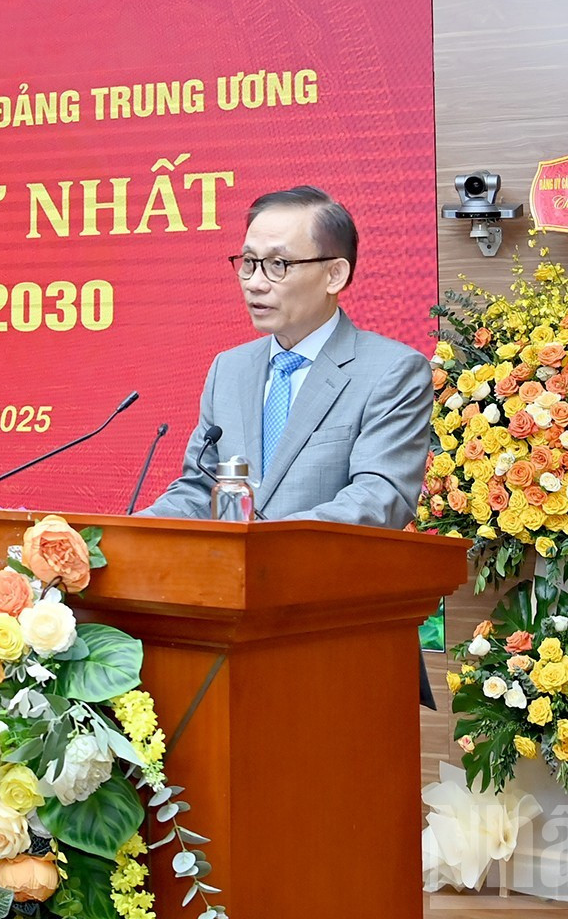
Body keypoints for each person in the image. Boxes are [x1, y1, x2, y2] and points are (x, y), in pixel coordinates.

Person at [138, 186, 436, 704]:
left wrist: (262, 552)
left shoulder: (391, 371)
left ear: (334, 275)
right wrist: (124, 540)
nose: (255, 283)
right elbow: (197, 488)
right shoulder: (229, 369)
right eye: (248, 263)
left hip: (334, 638)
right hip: (224, 636)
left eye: (277, 265)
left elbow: (378, 499)